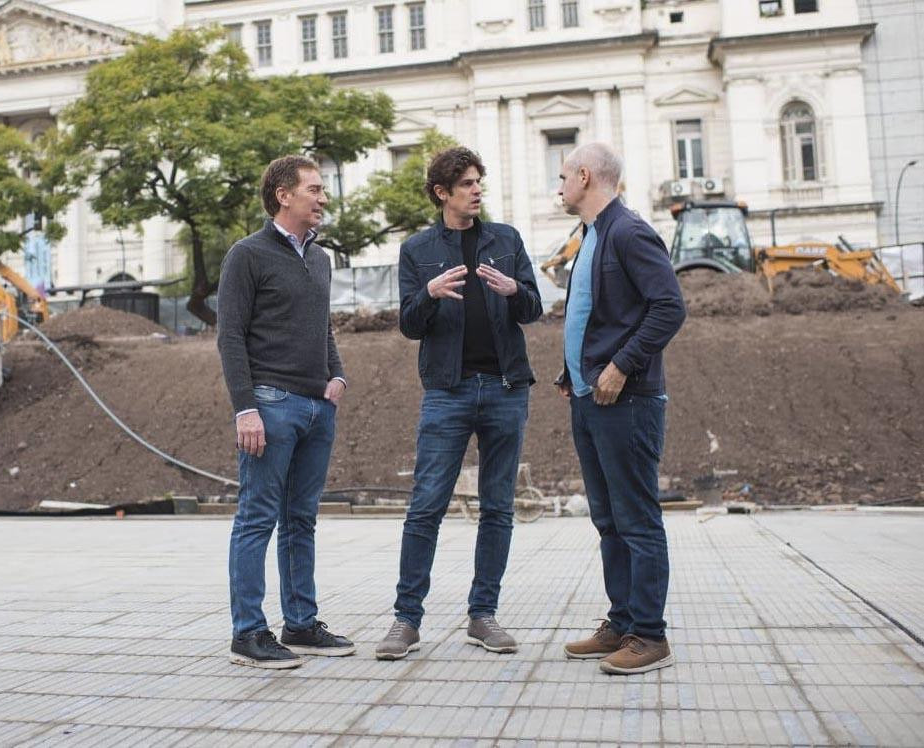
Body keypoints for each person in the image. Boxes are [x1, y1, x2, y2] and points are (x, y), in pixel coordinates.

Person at [375, 147, 543, 660]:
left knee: (498, 508)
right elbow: (409, 324)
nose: (476, 190)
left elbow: (533, 309)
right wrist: (426, 292)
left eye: (478, 182)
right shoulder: (417, 249)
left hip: (505, 390)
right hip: (446, 393)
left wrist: (515, 289)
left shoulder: (506, 240)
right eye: (466, 184)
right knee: (426, 507)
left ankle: (483, 615)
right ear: (441, 193)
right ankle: (406, 620)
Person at [217, 155, 354, 670]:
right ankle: (248, 633)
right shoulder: (246, 255)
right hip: (270, 406)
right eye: (314, 190)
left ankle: (300, 623)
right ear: (283, 195)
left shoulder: (320, 258)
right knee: (257, 518)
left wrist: (336, 376)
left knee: (302, 520)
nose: (322, 198)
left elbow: (324, 327)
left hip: (318, 407)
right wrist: (245, 409)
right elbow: (229, 336)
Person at [555, 142, 686, 674]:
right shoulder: (591, 235)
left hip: (625, 398)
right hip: (590, 399)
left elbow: (669, 306)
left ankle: (650, 636)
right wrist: (574, 370)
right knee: (609, 519)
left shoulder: (628, 231)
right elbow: (595, 313)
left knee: (636, 518)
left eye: (563, 176)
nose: (558, 186)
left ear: (585, 176)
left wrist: (620, 366)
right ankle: (623, 622)